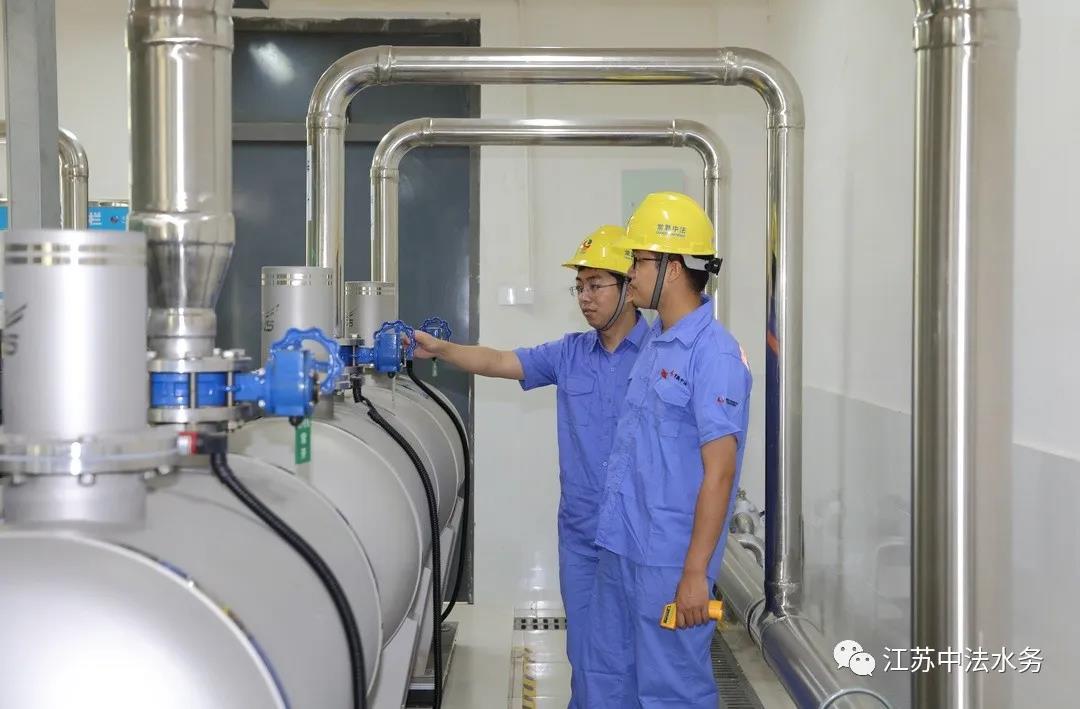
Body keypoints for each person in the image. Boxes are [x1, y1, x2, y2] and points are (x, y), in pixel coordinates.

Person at [410, 225, 650, 708]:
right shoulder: (570, 353)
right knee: (586, 652)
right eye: (579, 287)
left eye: (596, 284)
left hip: (641, 535)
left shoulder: (661, 354)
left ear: (629, 288)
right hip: (582, 534)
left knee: (643, 654)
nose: (585, 297)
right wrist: (444, 350)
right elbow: (501, 360)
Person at [581, 192, 752, 708]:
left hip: (669, 561)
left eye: (638, 260)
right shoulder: (655, 341)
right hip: (621, 546)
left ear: (672, 268)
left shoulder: (714, 354)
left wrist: (696, 573)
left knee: (670, 692)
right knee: (610, 680)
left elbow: (719, 473)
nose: (629, 272)